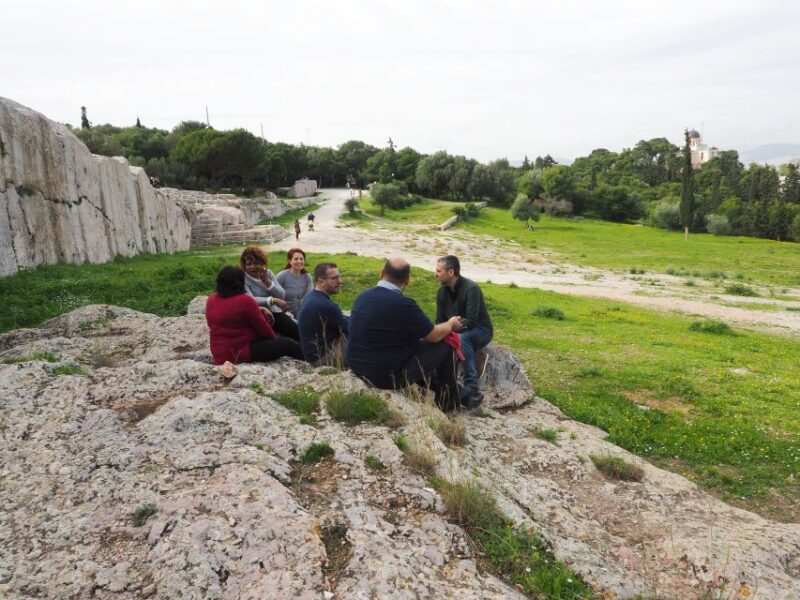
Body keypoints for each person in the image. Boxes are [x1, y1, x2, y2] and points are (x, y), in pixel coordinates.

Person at [346, 257, 466, 411]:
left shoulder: (363, 296)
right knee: (446, 343)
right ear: (407, 280)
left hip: (357, 365)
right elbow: (433, 335)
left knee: (418, 346)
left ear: (381, 273)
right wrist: (450, 324)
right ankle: (448, 403)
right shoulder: (404, 305)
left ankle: (457, 393)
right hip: (385, 377)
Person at [205, 266, 303, 365]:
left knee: (279, 323)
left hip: (219, 352)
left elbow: (212, 324)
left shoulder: (211, 300)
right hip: (240, 352)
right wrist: (275, 341)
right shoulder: (245, 300)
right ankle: (313, 356)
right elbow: (264, 330)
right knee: (286, 344)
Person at [435, 255, 493, 407]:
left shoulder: (471, 289)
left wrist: (450, 328)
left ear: (451, 272)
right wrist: (443, 329)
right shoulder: (441, 292)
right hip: (456, 328)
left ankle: (471, 386)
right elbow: (439, 321)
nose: (435, 274)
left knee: (462, 339)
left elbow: (472, 321)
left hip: (481, 330)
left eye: (439, 271)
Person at [239, 246, 300, 341]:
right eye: (248, 264)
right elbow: (249, 300)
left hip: (275, 312)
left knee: (299, 329)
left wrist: (267, 282)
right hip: (259, 314)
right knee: (293, 334)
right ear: (244, 265)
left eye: (256, 263)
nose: (252, 267)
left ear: (262, 262)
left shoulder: (268, 273)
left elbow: (281, 294)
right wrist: (272, 300)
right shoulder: (243, 278)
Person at [297, 262, 349, 364]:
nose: (340, 281)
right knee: (365, 337)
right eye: (334, 278)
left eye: (339, 277)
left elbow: (341, 319)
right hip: (323, 358)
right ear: (321, 281)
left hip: (312, 355)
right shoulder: (326, 306)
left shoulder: (311, 296)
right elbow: (351, 330)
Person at [275, 248, 314, 314]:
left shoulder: (307, 276)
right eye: (296, 259)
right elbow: (273, 297)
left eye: (301, 259)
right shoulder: (281, 276)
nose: (299, 261)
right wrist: (284, 313)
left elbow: (310, 297)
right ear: (290, 261)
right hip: (284, 313)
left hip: (303, 312)